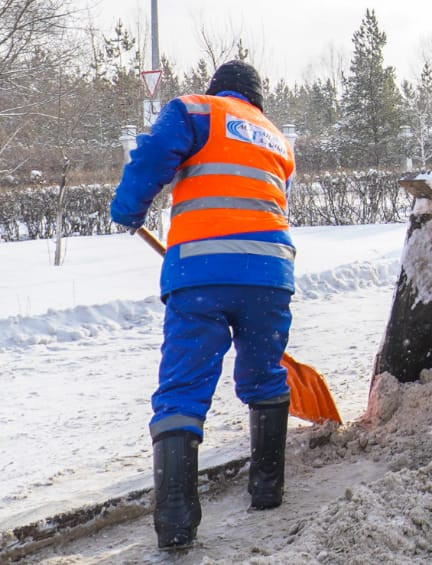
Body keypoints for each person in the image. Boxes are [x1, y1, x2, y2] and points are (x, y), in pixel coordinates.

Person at [110, 60, 297, 550]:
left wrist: (128, 209)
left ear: (218, 89)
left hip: (201, 274)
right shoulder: (276, 139)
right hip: (270, 277)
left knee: (182, 391)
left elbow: (152, 157)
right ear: (257, 99)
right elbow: (271, 201)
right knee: (265, 377)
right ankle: (267, 489)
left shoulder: (195, 110)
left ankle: (175, 520)